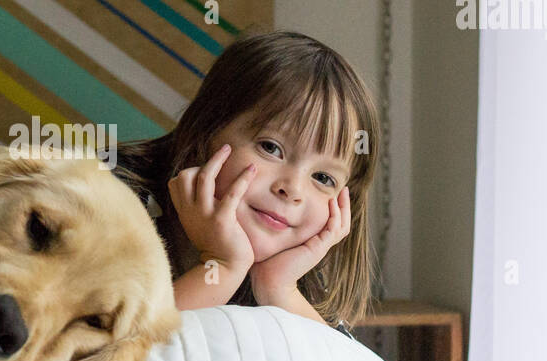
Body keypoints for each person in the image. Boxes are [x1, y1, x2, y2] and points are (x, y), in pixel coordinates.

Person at [113, 29, 381, 336]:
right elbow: (105, 360)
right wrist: (221, 266)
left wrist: (279, 288)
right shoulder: (109, 200)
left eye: (322, 178)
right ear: (207, 129)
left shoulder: (293, 267)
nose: (292, 189)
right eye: (270, 147)